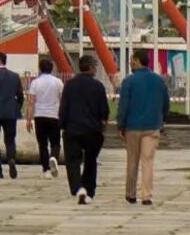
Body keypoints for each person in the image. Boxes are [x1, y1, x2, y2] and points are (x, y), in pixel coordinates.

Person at [116, 47, 171, 206]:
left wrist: (121, 125)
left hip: (132, 127)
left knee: (132, 161)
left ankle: (130, 194)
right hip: (152, 126)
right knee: (148, 161)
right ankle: (146, 195)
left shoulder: (128, 81)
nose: (130, 63)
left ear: (138, 61)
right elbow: (166, 104)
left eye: (131, 60)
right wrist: (160, 118)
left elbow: (123, 106)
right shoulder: (159, 81)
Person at [60, 52, 110, 204]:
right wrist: (103, 126)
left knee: (73, 160)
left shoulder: (69, 85)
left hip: (72, 128)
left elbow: (64, 107)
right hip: (92, 130)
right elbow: (104, 111)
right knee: (90, 160)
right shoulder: (98, 86)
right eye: (95, 67)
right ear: (90, 68)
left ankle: (77, 187)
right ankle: (89, 190)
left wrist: (62, 126)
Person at [26, 57, 64, 174]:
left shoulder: (35, 82)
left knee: (42, 144)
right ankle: (54, 157)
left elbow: (31, 102)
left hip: (40, 116)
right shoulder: (58, 82)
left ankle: (45, 169)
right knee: (55, 142)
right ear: (52, 69)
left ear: (40, 68)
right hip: (54, 115)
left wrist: (28, 119)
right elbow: (62, 100)